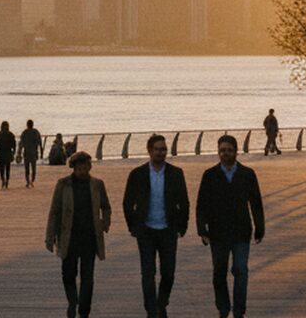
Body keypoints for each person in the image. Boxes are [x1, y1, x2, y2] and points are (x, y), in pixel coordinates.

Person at [196, 134, 265, 318]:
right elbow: (201, 204)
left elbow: (256, 202)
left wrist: (260, 228)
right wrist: (202, 229)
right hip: (217, 233)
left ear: (236, 151)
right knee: (219, 273)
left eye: (229, 150)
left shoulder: (247, 174)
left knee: (241, 271)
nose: (225, 154)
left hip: (241, 231)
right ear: (218, 152)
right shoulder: (210, 175)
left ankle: (239, 311)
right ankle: (223, 308)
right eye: (222, 150)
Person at [122, 134, 189, 318]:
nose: (161, 152)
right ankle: (152, 310)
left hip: (168, 230)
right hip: (146, 231)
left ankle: (162, 302)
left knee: (168, 273)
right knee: (148, 273)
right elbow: (127, 202)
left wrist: (182, 226)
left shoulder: (176, 173)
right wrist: (133, 226)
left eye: (164, 149)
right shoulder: (137, 174)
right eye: (158, 149)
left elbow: (184, 202)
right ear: (149, 150)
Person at [46, 151, 110, 318]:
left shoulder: (97, 184)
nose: (82, 170)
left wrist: (105, 222)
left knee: (87, 276)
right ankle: (72, 301)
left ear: (89, 167)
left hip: (90, 237)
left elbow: (106, 206)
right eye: (79, 167)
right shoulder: (63, 184)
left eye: (85, 167)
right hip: (69, 236)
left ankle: (84, 311)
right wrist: (49, 236)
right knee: (68, 273)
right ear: (73, 167)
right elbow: (54, 211)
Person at [19, 119, 44, 187]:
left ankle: (28, 181)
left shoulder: (24, 132)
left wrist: (19, 153)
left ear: (27, 125)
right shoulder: (36, 132)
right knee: (34, 168)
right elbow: (40, 143)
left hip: (26, 153)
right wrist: (41, 153)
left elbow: (21, 144)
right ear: (32, 124)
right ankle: (32, 181)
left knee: (27, 169)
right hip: (34, 153)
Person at [0, 120, 17, 189]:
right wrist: (13, 152)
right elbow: (14, 144)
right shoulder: (10, 134)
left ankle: (3, 180)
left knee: (2, 168)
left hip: (1, 153)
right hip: (8, 153)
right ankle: (6, 180)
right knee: (7, 168)